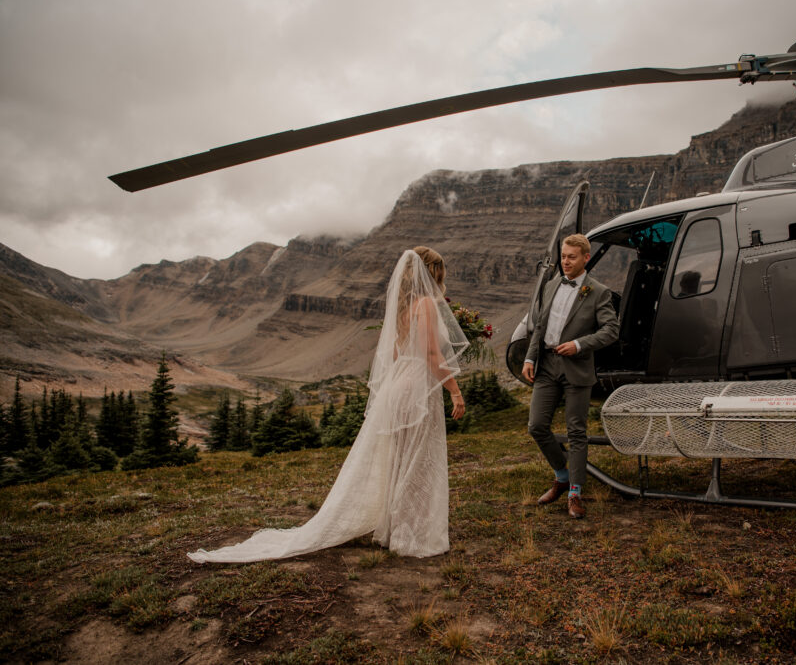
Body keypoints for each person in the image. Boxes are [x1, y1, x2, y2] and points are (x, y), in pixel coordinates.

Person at [188, 247, 468, 562]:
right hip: (418, 387)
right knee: (419, 460)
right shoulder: (428, 304)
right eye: (440, 272)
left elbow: (394, 354)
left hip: (399, 388)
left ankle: (396, 532)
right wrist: (454, 390)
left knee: (400, 459)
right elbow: (432, 355)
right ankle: (413, 535)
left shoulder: (404, 307)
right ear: (434, 273)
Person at [522, 234, 619, 519]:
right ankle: (562, 475)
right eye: (563, 256)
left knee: (577, 432)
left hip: (577, 366)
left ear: (585, 258)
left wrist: (579, 344)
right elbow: (540, 325)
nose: (565, 261)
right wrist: (530, 356)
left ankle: (575, 493)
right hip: (547, 365)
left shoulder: (598, 291)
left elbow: (611, 330)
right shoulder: (553, 283)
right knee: (536, 425)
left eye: (571, 257)